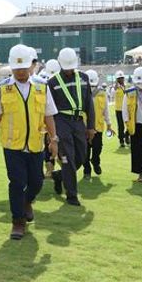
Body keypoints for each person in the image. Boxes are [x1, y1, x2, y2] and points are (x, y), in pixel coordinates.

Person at [0, 44, 59, 240]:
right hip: (12, 146)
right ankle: (18, 222)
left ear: (31, 66)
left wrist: (54, 139)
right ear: (11, 67)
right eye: (16, 69)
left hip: (36, 143)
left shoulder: (42, 87)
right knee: (17, 182)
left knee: (36, 182)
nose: (20, 72)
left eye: (23, 68)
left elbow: (49, 115)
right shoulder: (2, 89)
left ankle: (27, 202)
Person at [48, 47, 95, 206]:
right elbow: (49, 110)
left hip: (78, 122)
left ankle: (60, 176)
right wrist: (52, 133)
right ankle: (72, 195)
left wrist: (91, 126)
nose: (69, 70)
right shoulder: (52, 82)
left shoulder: (84, 78)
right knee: (67, 158)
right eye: (66, 67)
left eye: (71, 67)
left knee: (81, 158)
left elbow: (89, 103)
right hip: (61, 122)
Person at [83, 70, 111, 177]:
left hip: (98, 127)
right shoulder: (81, 93)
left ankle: (95, 162)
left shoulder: (102, 93)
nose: (92, 88)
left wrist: (108, 123)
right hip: (84, 127)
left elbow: (106, 110)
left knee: (97, 147)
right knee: (85, 150)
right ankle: (87, 169)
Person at [113, 70, 129, 147]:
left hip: (126, 108)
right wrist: (117, 85)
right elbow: (113, 92)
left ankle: (126, 135)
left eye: (122, 78)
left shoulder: (127, 86)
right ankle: (121, 140)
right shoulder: (115, 88)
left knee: (129, 124)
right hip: (118, 109)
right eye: (119, 78)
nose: (121, 80)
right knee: (121, 125)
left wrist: (124, 87)